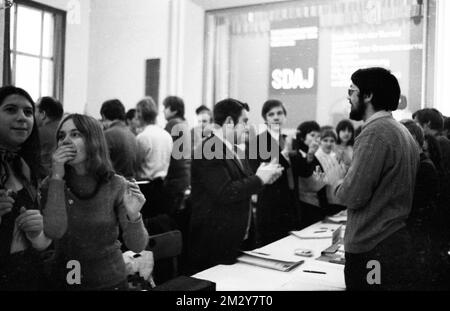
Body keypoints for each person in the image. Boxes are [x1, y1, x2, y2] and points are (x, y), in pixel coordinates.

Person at [332, 67, 420, 291]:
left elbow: (353, 196)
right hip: (390, 242)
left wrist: (335, 181)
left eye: (352, 91)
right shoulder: (401, 131)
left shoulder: (374, 133)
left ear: (368, 95)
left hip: (373, 248)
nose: (348, 97)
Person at [42, 114, 149, 290]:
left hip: (110, 280)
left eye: (75, 134)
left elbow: (137, 246)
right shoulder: (51, 183)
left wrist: (134, 214)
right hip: (65, 280)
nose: (66, 141)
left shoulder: (115, 184)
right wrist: (56, 176)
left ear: (93, 141)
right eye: (61, 136)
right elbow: (53, 231)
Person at [188, 98, 283, 273]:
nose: (247, 127)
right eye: (244, 121)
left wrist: (265, 176)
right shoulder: (208, 149)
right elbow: (226, 192)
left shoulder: (234, 148)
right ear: (230, 122)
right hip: (216, 242)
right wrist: (259, 179)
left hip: (236, 238)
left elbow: (243, 185)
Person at [0, 86, 52, 290]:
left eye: (28, 112)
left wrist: (37, 232)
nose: (22, 118)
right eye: (11, 109)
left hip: (29, 275)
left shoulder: (27, 167)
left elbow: (42, 243)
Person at [249, 99, 298, 246]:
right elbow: (263, 169)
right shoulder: (257, 141)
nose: (276, 117)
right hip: (270, 203)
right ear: (265, 119)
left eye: (279, 113)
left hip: (291, 202)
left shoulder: (290, 141)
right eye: (271, 114)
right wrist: (285, 153)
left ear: (285, 116)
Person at [401, 120, 439, 289]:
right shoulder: (416, 163)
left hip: (417, 236)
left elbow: (414, 203)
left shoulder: (423, 166)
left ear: (412, 138)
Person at [135, 97, 173, 221]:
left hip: (146, 188)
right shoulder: (166, 135)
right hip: (163, 186)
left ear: (140, 114)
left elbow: (136, 163)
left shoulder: (143, 137)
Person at [291, 121, 326, 228]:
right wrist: (310, 154)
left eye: (319, 136)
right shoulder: (295, 154)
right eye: (312, 135)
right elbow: (303, 172)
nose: (316, 139)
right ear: (302, 137)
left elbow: (321, 178)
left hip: (315, 204)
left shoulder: (315, 156)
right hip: (303, 207)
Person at [162, 96, 191, 218]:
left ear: (174, 110)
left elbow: (165, 147)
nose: (163, 111)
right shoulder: (184, 124)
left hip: (174, 176)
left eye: (165, 107)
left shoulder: (172, 124)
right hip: (184, 176)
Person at [100, 99, 138, 179]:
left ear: (103, 116)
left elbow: (100, 165)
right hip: (131, 184)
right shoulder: (132, 135)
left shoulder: (107, 135)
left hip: (114, 185)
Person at [314, 127, 347, 215]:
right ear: (320, 141)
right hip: (326, 200)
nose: (329, 143)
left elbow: (343, 175)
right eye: (325, 140)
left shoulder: (336, 156)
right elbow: (319, 180)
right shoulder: (316, 157)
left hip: (339, 198)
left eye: (332, 141)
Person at [35, 96, 64, 179]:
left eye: (33, 111)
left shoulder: (38, 133)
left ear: (43, 114)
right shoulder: (68, 130)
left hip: (45, 180)